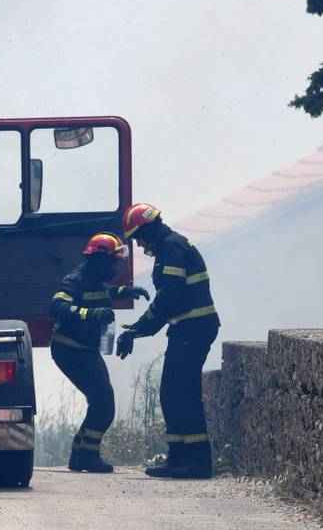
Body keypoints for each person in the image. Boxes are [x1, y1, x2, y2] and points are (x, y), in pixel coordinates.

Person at [116, 203, 220, 479]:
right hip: (186, 329)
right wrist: (139, 330)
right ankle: (178, 460)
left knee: (183, 394)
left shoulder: (172, 249)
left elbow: (168, 298)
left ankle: (197, 462)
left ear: (148, 229)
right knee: (172, 394)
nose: (139, 245)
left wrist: (137, 330)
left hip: (194, 328)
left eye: (138, 237)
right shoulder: (168, 248)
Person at [49, 233, 150, 473]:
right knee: (104, 401)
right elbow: (56, 306)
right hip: (69, 350)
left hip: (86, 351)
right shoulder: (76, 279)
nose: (116, 267)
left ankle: (79, 453)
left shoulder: (94, 279)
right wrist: (89, 314)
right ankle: (88, 456)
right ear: (99, 261)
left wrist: (124, 291)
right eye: (114, 262)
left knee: (100, 400)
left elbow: (102, 292)